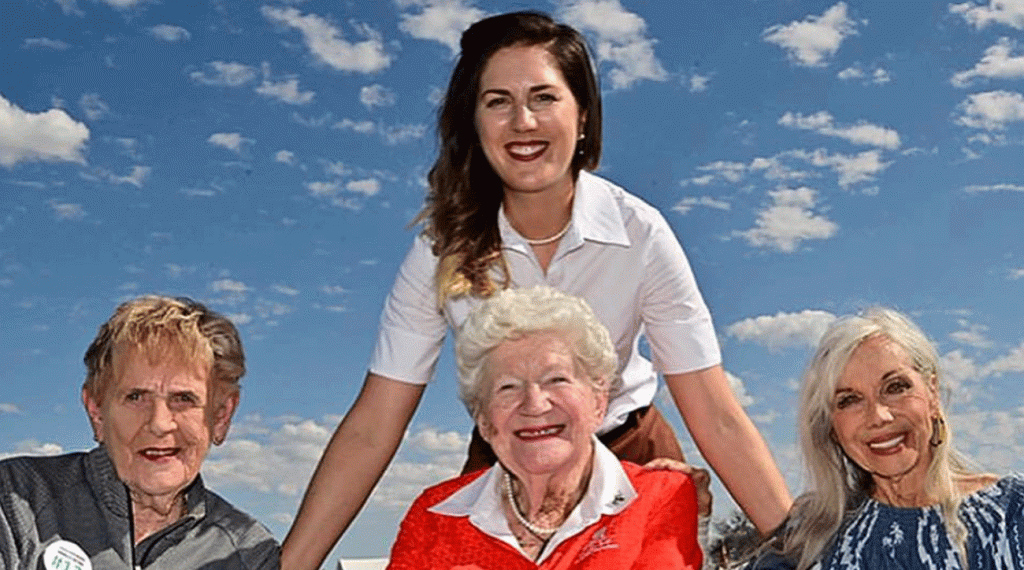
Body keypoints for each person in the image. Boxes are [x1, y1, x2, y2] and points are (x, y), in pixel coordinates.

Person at [282, 11, 789, 569]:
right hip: (507, 459)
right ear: (473, 124)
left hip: (632, 457)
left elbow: (714, 414)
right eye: (497, 101)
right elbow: (374, 426)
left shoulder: (640, 233)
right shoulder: (441, 249)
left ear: (584, 117)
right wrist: (291, 565)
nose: (522, 120)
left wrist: (805, 554)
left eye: (544, 97)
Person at [386, 287, 702, 569]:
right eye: (507, 387)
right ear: (482, 419)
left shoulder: (658, 497)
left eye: (557, 379)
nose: (534, 404)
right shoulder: (435, 514)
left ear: (598, 401)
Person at [0, 295, 280, 569]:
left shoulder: (250, 555)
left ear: (221, 416)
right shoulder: (16, 500)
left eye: (183, 399)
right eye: (135, 397)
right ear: (97, 411)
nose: (159, 423)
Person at [751, 307, 1022, 570]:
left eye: (895, 387)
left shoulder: (1012, 512)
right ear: (832, 427)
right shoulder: (807, 545)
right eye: (849, 400)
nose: (879, 416)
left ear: (932, 393)